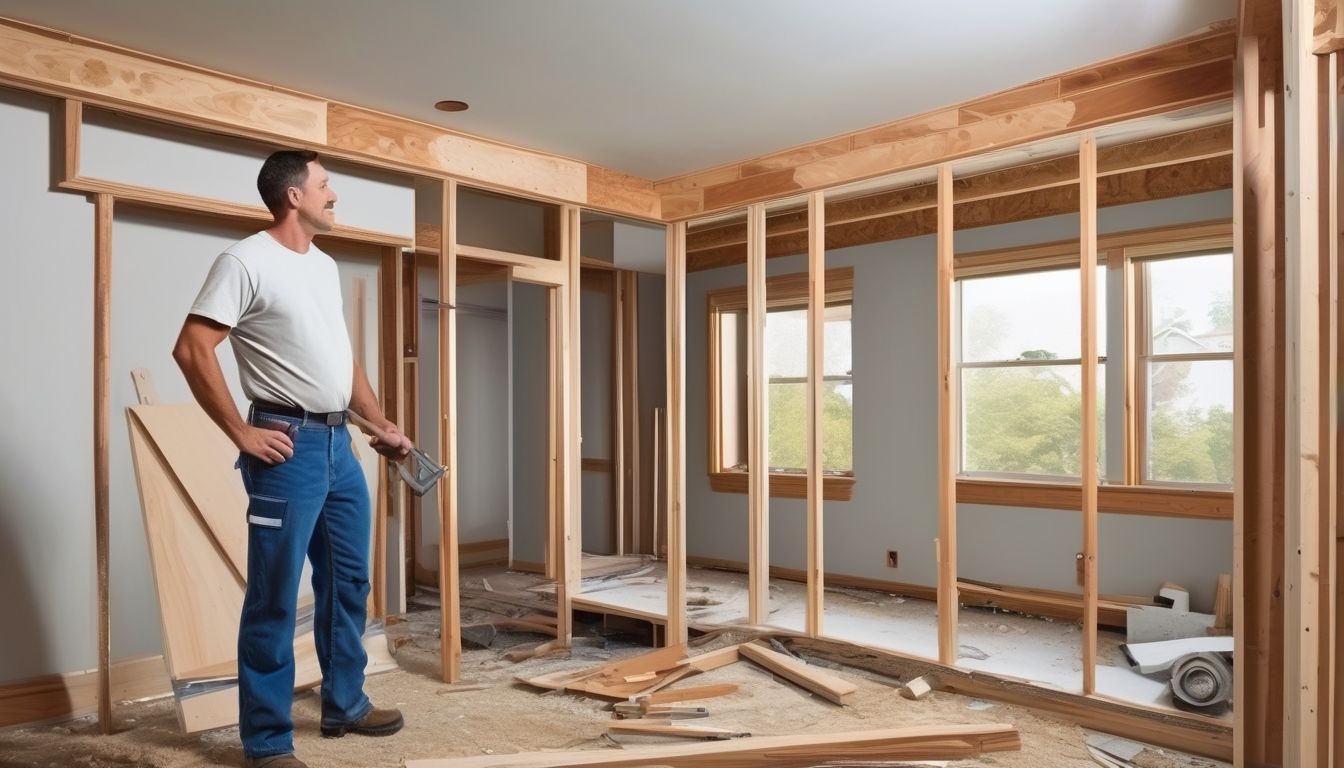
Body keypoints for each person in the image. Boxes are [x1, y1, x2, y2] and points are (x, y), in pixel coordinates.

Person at [173, 150, 412, 768]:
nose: (334, 194)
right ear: (293, 197)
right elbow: (193, 348)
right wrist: (239, 433)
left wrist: (379, 421)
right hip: (288, 447)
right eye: (325, 185)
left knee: (349, 582)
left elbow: (342, 359)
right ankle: (268, 742)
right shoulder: (245, 261)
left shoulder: (325, 266)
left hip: (340, 445)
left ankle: (344, 702)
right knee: (276, 597)